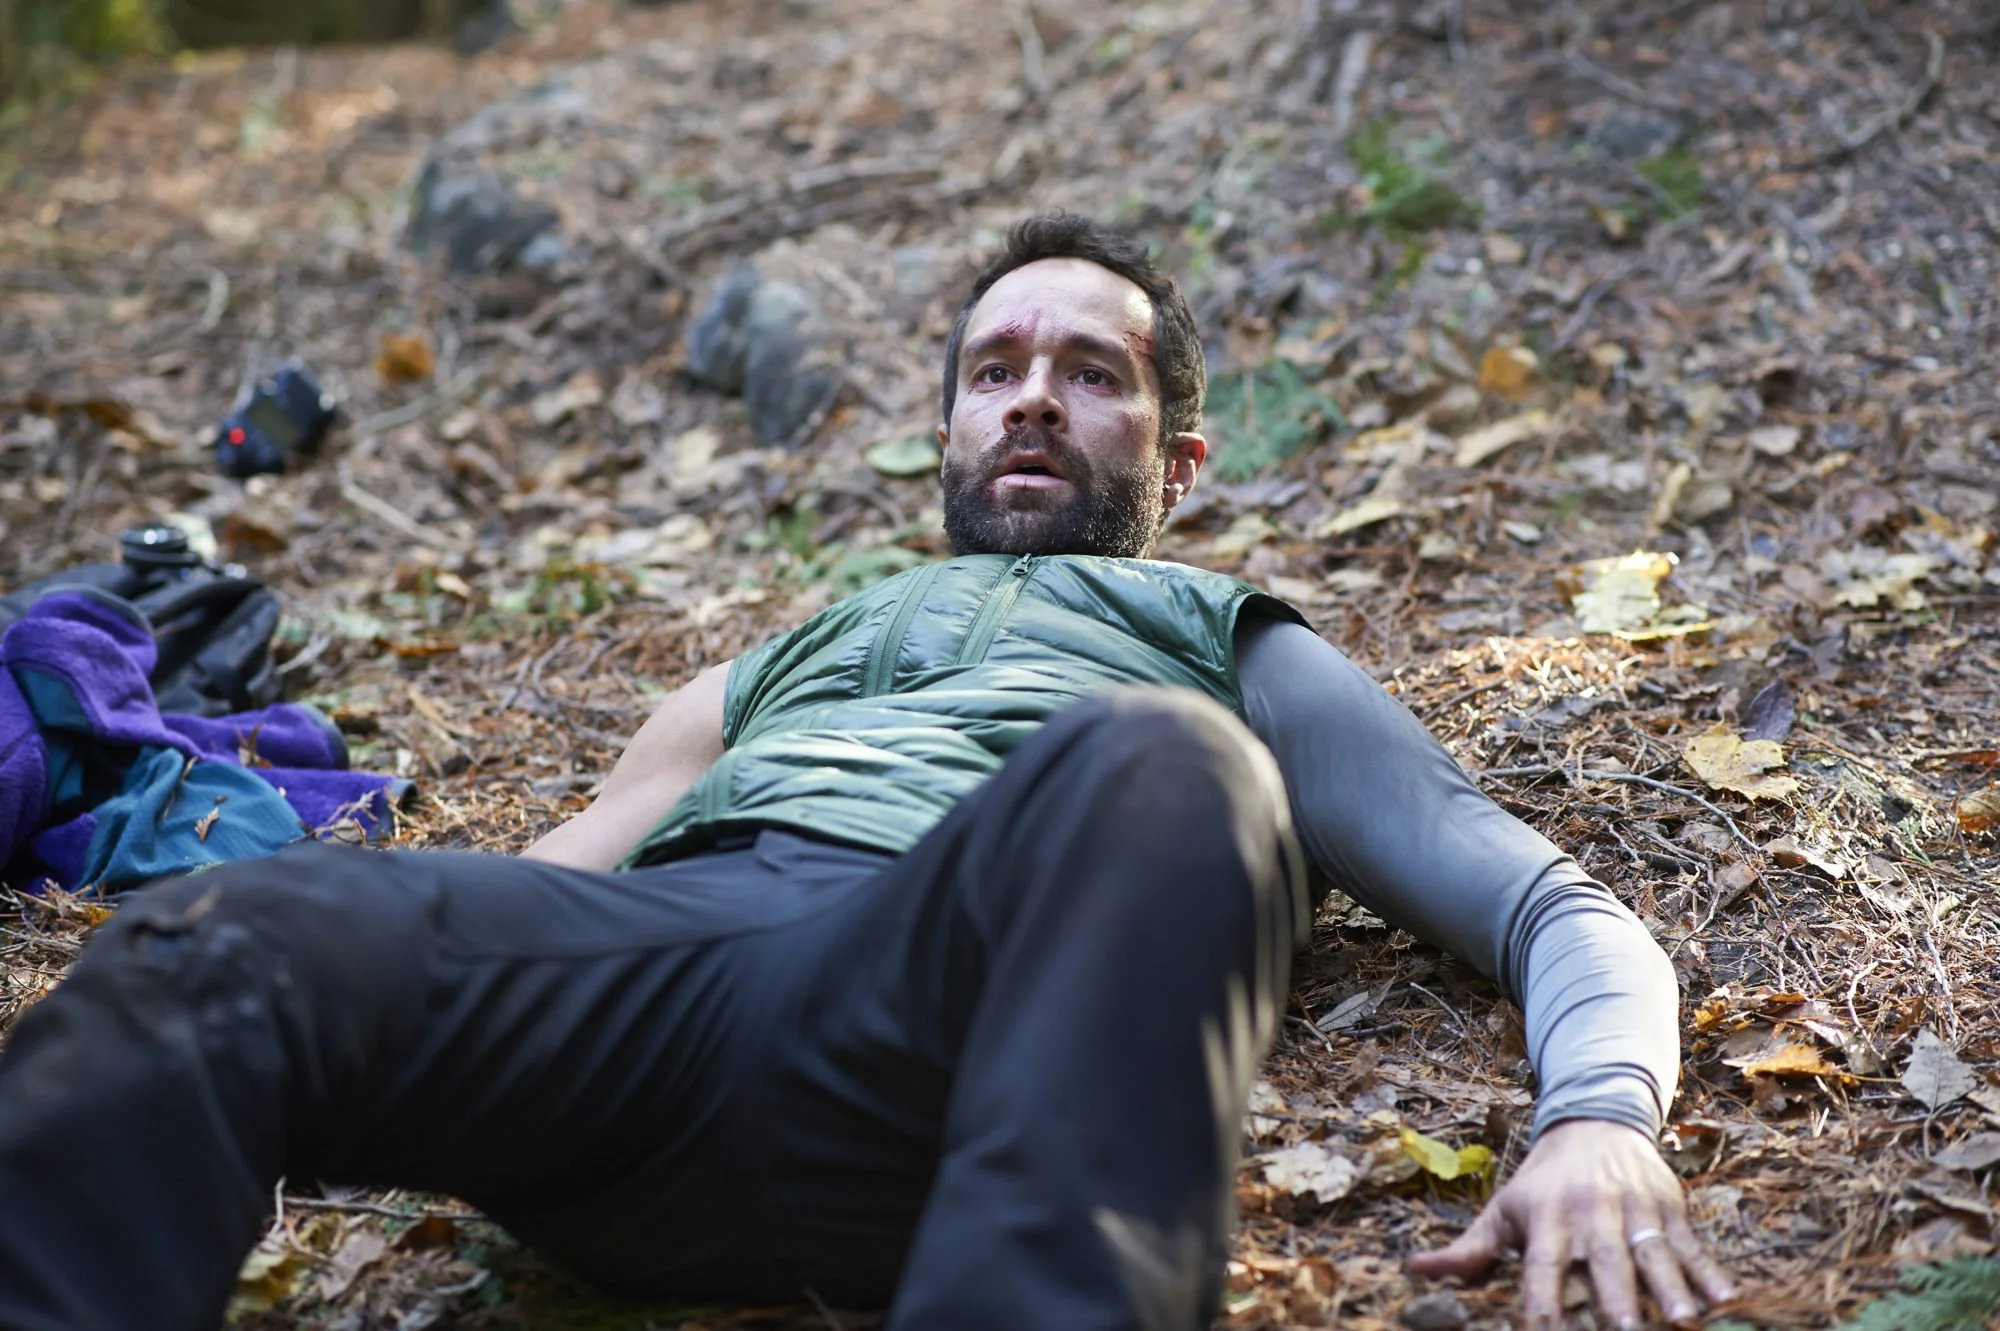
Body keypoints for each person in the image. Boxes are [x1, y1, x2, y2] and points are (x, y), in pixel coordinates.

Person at [0, 213, 1733, 1331]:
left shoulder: (1225, 642)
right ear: (951, 430)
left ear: (1178, 456)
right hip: (641, 1022)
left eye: (1090, 374)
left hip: (930, 1030)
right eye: (997, 370)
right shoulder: (785, 656)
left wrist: (1600, 1118)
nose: (1033, 399)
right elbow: (544, 886)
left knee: (1159, 763)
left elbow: (1543, 900)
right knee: (220, 939)